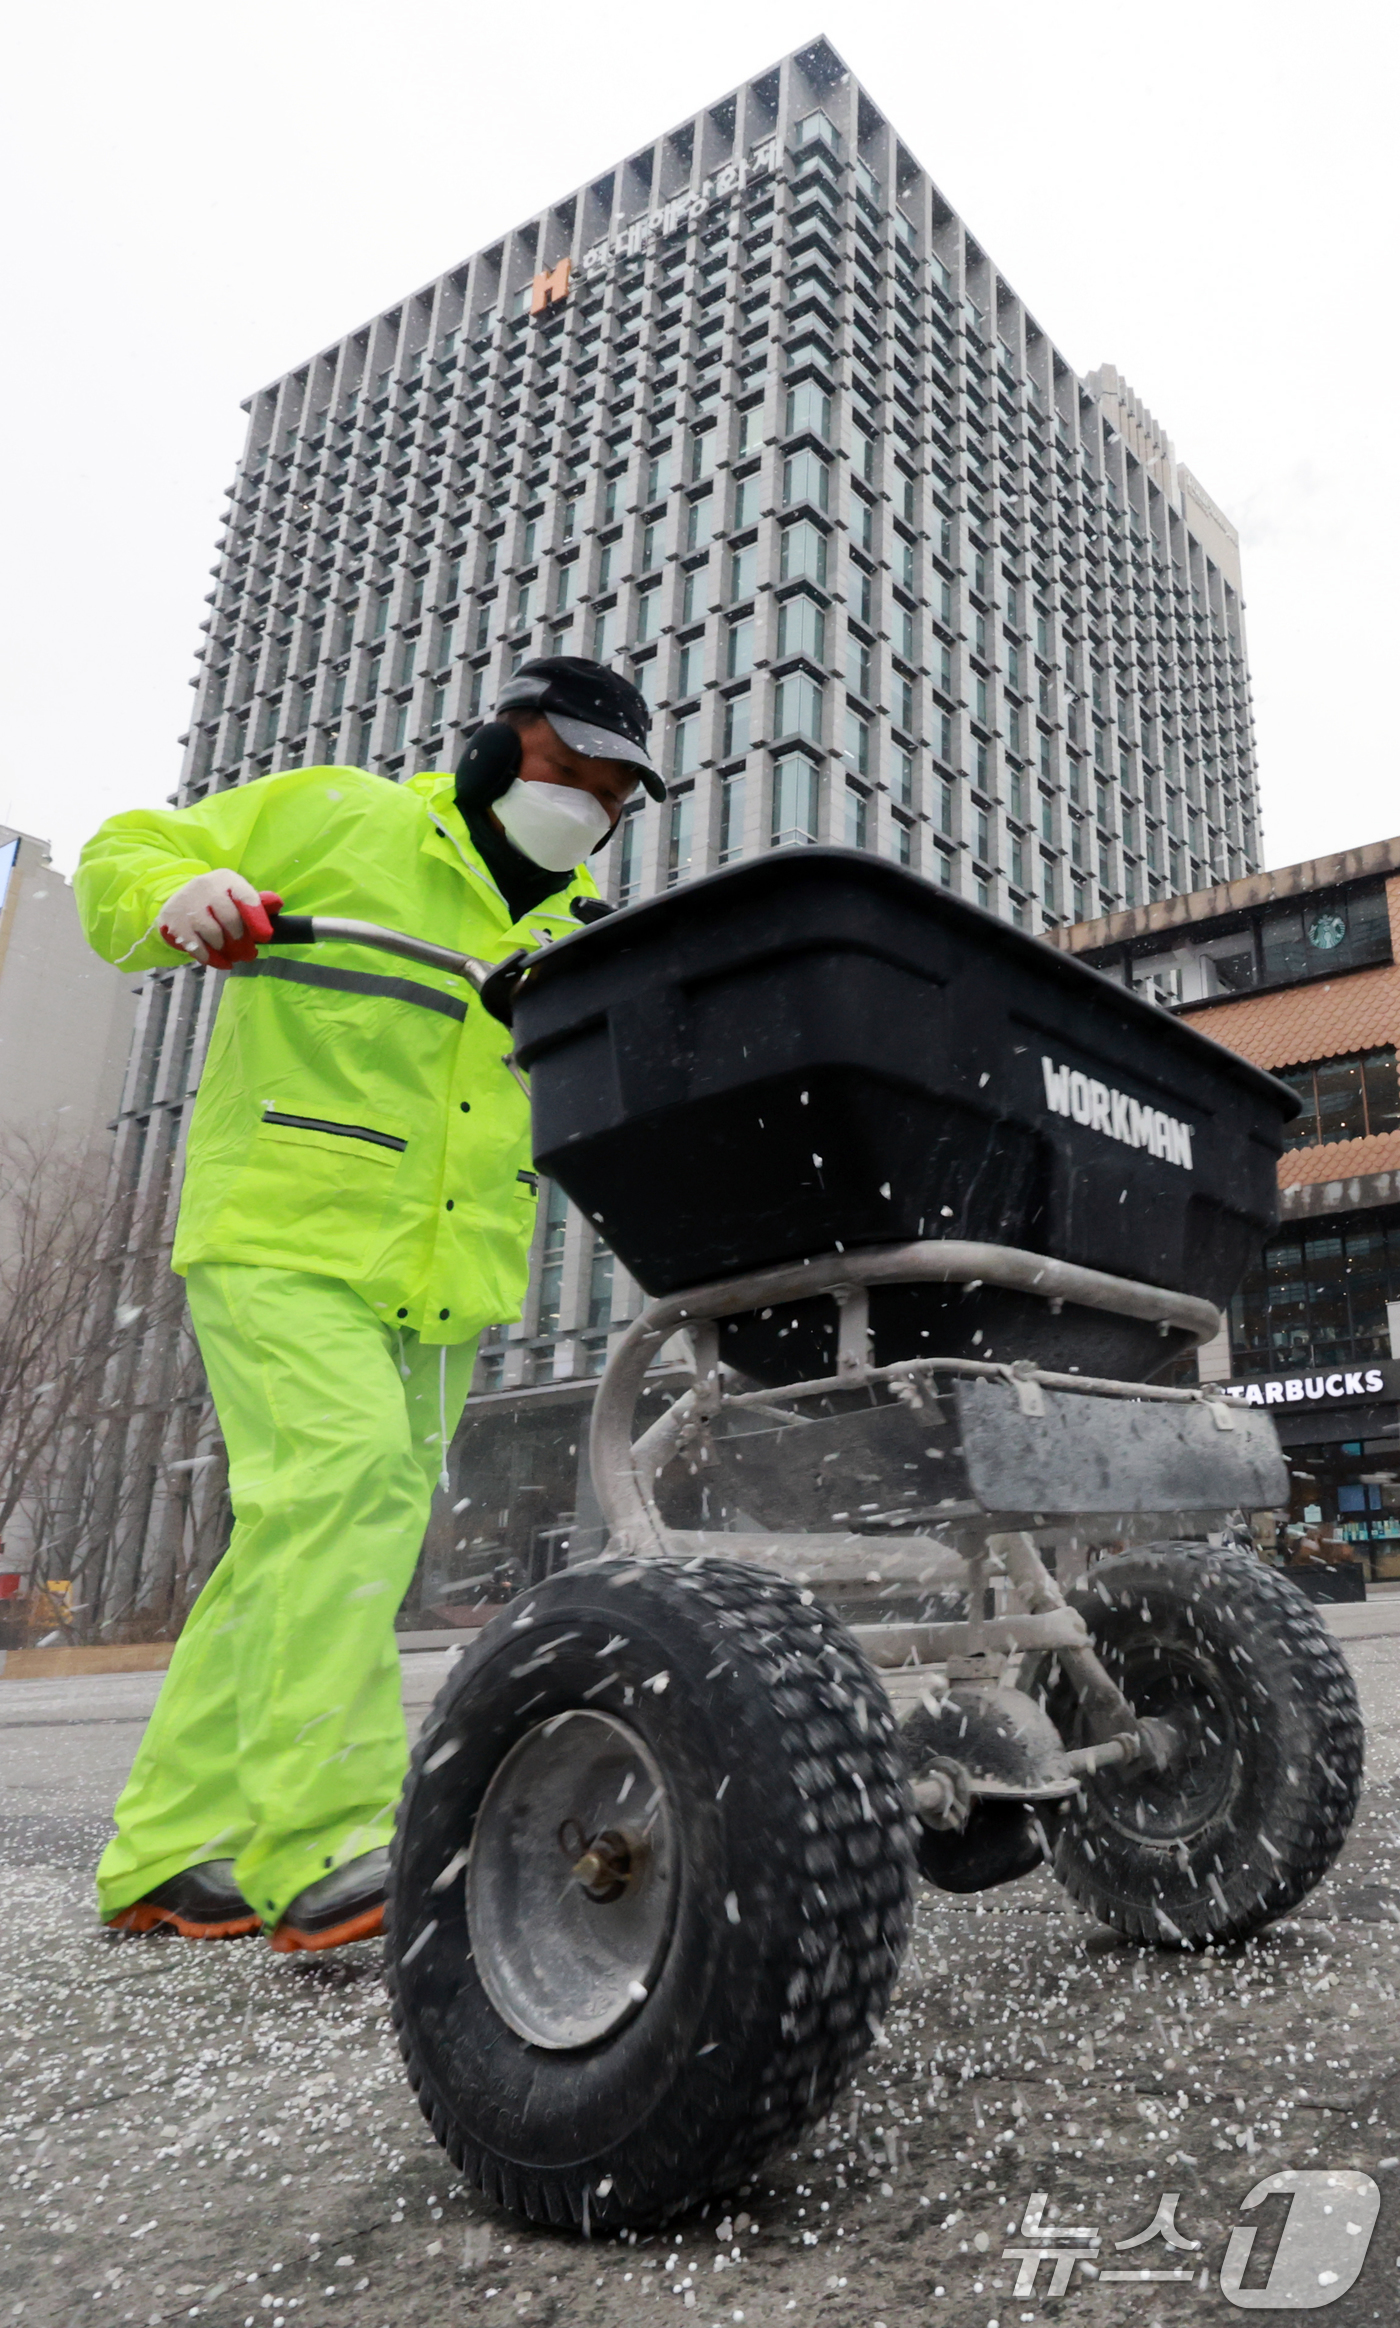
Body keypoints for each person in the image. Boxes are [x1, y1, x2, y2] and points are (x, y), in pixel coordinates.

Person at [75, 657, 661, 1951]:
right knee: (334, 1489)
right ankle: (326, 1845)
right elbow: (125, 849)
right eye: (569, 770)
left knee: (311, 1542)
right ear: (500, 745)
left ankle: (163, 1850)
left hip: (446, 1280)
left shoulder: (582, 934)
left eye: (614, 794)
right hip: (287, 1231)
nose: (587, 805)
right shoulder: (343, 819)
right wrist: (178, 894)